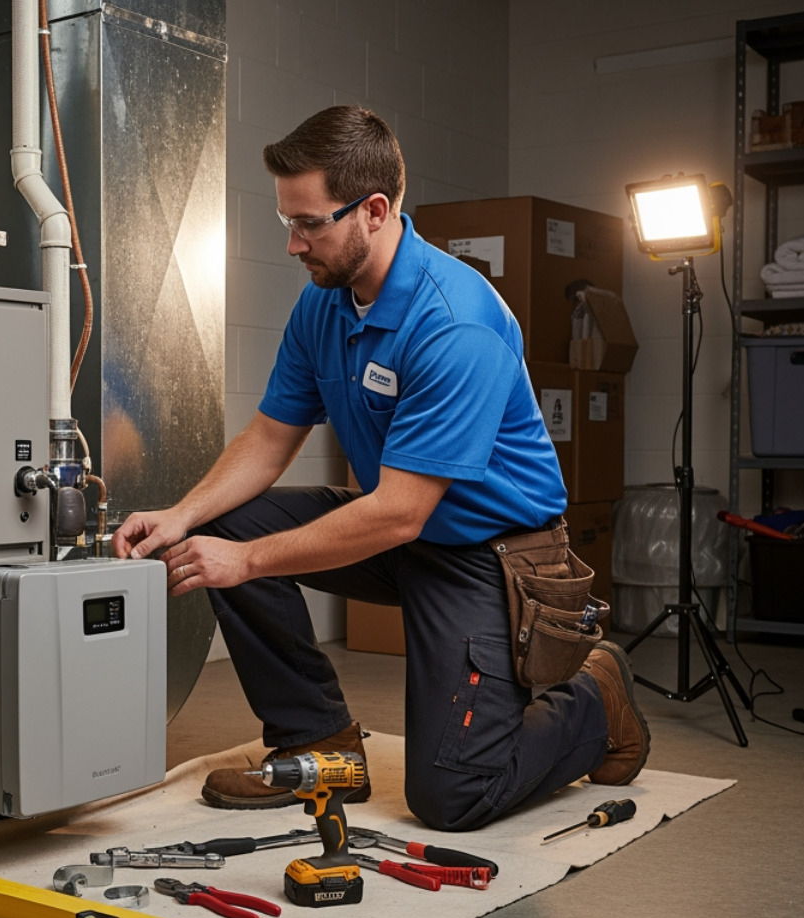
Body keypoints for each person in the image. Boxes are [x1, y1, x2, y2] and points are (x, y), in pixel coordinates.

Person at [111, 106, 649, 832]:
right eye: (287, 223)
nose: (294, 244)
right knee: (221, 522)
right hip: (405, 534)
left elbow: (399, 510)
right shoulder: (323, 306)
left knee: (453, 796)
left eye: (309, 224)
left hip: (490, 556)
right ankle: (319, 743)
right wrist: (183, 516)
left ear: (374, 209)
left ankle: (595, 695)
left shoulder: (453, 322)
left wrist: (245, 561)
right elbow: (271, 436)